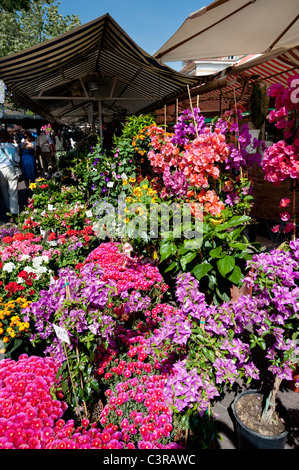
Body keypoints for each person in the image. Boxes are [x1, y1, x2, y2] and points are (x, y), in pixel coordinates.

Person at [0, 129, 19, 219]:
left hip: (1, 170)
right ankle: (14, 212)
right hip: (11, 169)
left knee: (4, 191)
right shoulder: (12, 146)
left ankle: (8, 209)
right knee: (13, 191)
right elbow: (17, 159)